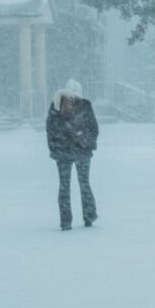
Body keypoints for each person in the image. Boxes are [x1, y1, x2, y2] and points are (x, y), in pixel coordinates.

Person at [46, 79, 99, 231]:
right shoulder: (56, 109)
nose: (72, 100)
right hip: (65, 153)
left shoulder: (85, 107)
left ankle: (86, 217)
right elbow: (51, 131)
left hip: (79, 151)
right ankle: (67, 221)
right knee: (66, 186)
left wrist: (82, 139)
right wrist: (57, 147)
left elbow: (94, 130)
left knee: (82, 184)